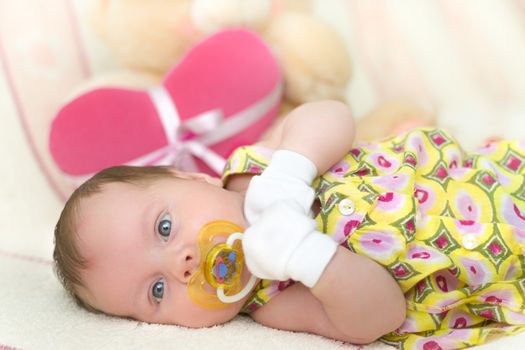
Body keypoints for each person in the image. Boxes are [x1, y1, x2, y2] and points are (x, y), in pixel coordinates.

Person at [53, 101, 525, 349]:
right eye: (157, 291)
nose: (183, 263)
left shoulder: (251, 171)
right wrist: (308, 257)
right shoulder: (272, 302)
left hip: (477, 183)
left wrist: (290, 170)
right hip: (493, 259)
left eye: (163, 228)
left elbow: (332, 114)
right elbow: (380, 316)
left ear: (193, 177)